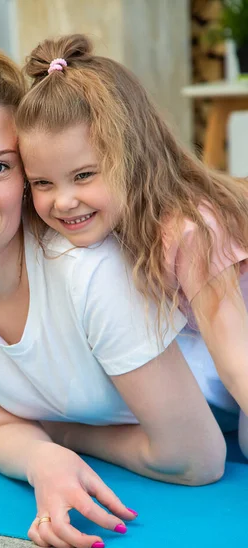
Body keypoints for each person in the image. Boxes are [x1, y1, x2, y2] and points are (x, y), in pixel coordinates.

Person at [0, 34, 225, 548]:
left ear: (26, 172)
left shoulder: (86, 270)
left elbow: (196, 458)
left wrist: (62, 436)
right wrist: (42, 460)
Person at [16, 33, 248, 458]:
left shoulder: (191, 229)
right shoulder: (98, 221)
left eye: (84, 175)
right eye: (42, 183)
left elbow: (236, 358)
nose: (64, 201)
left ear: (134, 156)